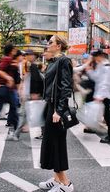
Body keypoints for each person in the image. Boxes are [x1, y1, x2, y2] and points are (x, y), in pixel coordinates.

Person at [39, 35, 74, 192]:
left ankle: (66, 184)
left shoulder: (63, 61)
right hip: (50, 106)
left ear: (59, 46)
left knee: (56, 144)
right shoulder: (53, 62)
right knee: (51, 143)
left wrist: (58, 110)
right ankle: (56, 179)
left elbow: (66, 87)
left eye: (50, 42)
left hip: (56, 109)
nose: (48, 45)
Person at [86, 50, 110, 143]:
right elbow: (96, 78)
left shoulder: (107, 67)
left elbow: (106, 83)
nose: (94, 59)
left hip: (105, 95)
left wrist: (100, 95)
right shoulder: (101, 65)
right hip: (102, 95)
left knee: (107, 117)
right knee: (106, 116)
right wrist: (89, 70)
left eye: (94, 57)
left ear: (99, 56)